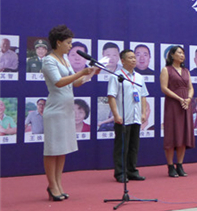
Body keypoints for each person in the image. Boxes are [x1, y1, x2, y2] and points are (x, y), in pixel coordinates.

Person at [41, 25, 98, 201]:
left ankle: (58, 184)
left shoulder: (65, 59)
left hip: (66, 110)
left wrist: (90, 74)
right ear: (58, 42)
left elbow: (75, 83)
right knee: (52, 149)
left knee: (62, 149)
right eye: (68, 43)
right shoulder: (49, 60)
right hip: (55, 110)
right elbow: (58, 82)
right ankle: (52, 185)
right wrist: (81, 72)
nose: (70, 46)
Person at [108, 49, 149, 183]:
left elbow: (143, 96)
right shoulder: (116, 76)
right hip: (123, 117)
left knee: (133, 146)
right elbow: (111, 97)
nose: (134, 60)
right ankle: (120, 173)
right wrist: (116, 115)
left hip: (136, 117)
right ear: (122, 61)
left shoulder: (139, 77)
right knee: (122, 147)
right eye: (130, 58)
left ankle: (132, 171)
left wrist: (143, 113)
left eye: (134, 57)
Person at [160, 45, 194, 178]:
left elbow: (190, 87)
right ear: (172, 55)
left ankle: (179, 165)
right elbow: (164, 88)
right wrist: (179, 98)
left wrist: (188, 99)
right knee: (172, 134)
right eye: (179, 53)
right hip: (173, 104)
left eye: (183, 53)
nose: (182, 55)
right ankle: (170, 166)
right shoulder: (166, 70)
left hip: (185, 105)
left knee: (183, 135)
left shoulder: (186, 71)